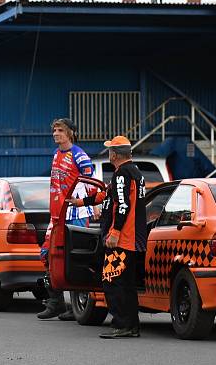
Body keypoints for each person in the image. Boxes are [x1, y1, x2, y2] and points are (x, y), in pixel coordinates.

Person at [74, 136, 146, 339]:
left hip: (122, 239)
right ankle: (132, 326)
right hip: (132, 239)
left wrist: (114, 233)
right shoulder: (135, 173)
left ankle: (122, 325)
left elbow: (122, 206)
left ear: (114, 154)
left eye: (109, 151)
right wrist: (81, 202)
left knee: (112, 281)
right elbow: (107, 196)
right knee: (126, 284)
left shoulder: (122, 174)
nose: (108, 154)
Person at [39, 118, 95, 320]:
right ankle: (56, 303)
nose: (55, 133)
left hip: (74, 215)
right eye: (54, 130)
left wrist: (88, 203)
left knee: (74, 260)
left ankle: (76, 305)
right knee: (47, 254)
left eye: (60, 130)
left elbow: (91, 181)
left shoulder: (79, 155)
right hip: (56, 215)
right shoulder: (56, 154)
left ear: (70, 132)